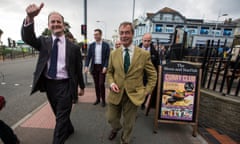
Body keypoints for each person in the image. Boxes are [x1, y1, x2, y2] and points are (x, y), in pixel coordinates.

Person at [21, 3, 85, 144]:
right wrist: (29, 18)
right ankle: (70, 128)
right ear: (49, 25)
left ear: (63, 25)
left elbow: (77, 69)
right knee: (59, 114)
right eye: (53, 22)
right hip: (49, 85)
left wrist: (82, 86)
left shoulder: (73, 48)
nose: (56, 24)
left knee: (60, 119)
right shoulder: (44, 42)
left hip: (66, 85)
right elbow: (28, 38)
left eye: (58, 22)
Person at [106, 22, 157, 144]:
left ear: (133, 34)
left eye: (127, 32)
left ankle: (125, 140)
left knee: (129, 123)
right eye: (122, 33)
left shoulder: (144, 54)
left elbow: (153, 75)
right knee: (111, 118)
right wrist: (112, 83)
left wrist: (146, 91)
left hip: (134, 94)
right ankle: (116, 128)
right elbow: (109, 72)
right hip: (116, 92)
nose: (124, 35)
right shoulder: (114, 53)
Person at [84, 29, 110, 107]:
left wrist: (105, 66)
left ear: (101, 35)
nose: (95, 36)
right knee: (96, 84)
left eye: (97, 34)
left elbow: (107, 57)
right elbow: (88, 57)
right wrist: (86, 66)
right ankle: (98, 99)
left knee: (101, 84)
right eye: (94, 35)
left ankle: (103, 100)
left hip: (102, 67)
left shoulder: (106, 45)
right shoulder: (91, 45)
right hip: (94, 67)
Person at [138, 33, 159, 110]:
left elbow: (157, 65)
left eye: (148, 41)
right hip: (138, 75)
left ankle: (143, 103)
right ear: (142, 40)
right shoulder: (136, 50)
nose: (146, 42)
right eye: (145, 40)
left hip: (148, 75)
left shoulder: (155, 52)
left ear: (151, 41)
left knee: (147, 90)